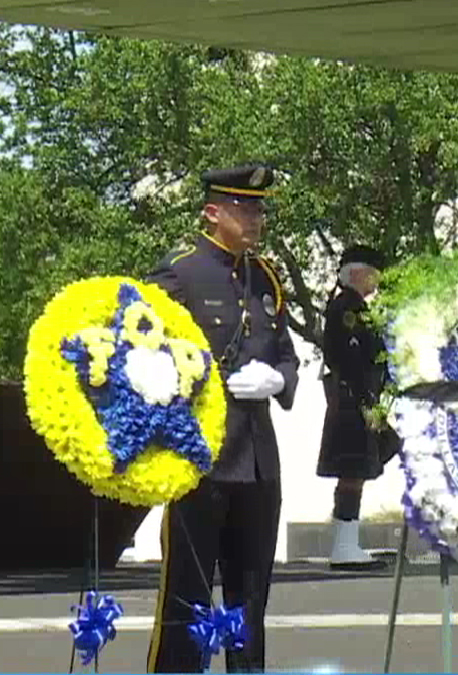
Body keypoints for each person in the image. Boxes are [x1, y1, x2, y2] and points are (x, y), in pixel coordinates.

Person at [145, 164, 300, 672]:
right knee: (186, 599)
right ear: (213, 212)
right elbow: (146, 355)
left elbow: (286, 354)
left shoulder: (266, 276)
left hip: (257, 462)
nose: (255, 218)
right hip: (202, 461)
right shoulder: (180, 271)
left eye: (258, 208)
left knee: (250, 599)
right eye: (243, 207)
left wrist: (278, 379)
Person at [316, 244, 398, 570]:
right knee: (353, 472)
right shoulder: (347, 309)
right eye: (373, 273)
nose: (376, 280)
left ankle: (347, 542)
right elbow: (351, 362)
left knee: (367, 463)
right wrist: (369, 405)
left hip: (359, 401)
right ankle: (344, 546)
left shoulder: (356, 307)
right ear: (359, 273)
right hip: (353, 403)